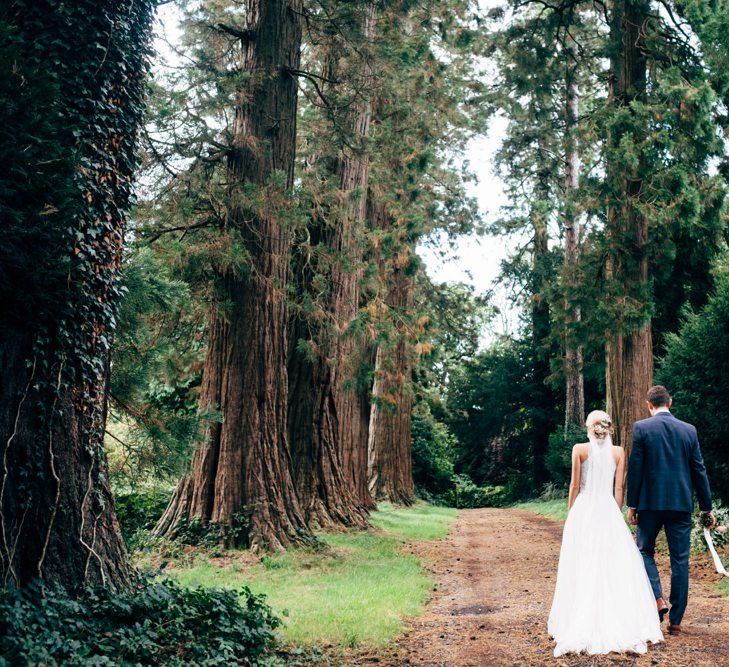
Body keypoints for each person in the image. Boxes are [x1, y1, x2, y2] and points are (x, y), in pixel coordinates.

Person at [548, 410, 663, 657]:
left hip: (585, 508)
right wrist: (615, 511)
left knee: (582, 561)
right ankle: (619, 616)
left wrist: (571, 513)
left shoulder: (579, 449)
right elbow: (619, 487)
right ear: (608, 428)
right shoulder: (619, 452)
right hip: (607, 509)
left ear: (589, 428)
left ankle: (577, 616)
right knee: (613, 563)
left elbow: (575, 485)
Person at [627, 385, 715, 635]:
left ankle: (657, 598)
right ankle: (676, 620)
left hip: (650, 504)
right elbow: (699, 470)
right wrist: (706, 507)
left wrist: (632, 505)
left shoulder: (641, 428)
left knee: (644, 551)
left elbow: (636, 469)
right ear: (670, 402)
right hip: (680, 504)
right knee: (680, 560)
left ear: (649, 405)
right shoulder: (689, 430)